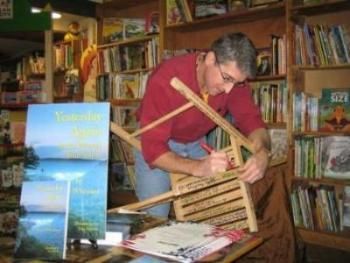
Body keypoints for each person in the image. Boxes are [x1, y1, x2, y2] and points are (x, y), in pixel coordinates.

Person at [135, 32, 271, 217]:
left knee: (210, 214)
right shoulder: (166, 78)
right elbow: (152, 149)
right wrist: (197, 168)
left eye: (237, 83)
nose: (228, 89)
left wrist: (262, 153)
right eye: (227, 78)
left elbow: (252, 122)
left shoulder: (234, 84)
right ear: (210, 58)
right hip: (158, 144)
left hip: (195, 141)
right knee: (155, 217)